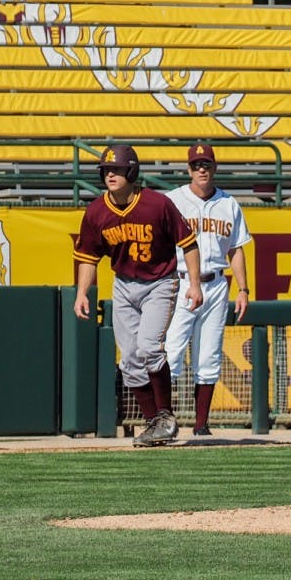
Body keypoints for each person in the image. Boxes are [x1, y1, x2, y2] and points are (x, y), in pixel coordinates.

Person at [73, 144, 204, 447]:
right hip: (123, 283)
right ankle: (154, 423)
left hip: (160, 281)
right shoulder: (96, 212)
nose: (111, 175)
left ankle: (166, 416)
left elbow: (189, 243)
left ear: (131, 171)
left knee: (148, 346)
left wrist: (194, 284)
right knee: (130, 360)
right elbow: (88, 258)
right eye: (106, 170)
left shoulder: (157, 204)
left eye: (117, 169)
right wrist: (82, 293)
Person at [164, 143, 252, 436]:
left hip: (215, 283)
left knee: (209, 356)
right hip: (182, 281)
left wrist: (243, 289)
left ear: (214, 168)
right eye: (196, 164)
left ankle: (201, 425)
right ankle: (164, 420)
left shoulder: (229, 204)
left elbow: (236, 249)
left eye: (206, 164)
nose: (201, 169)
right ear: (188, 169)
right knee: (172, 352)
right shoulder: (172, 201)